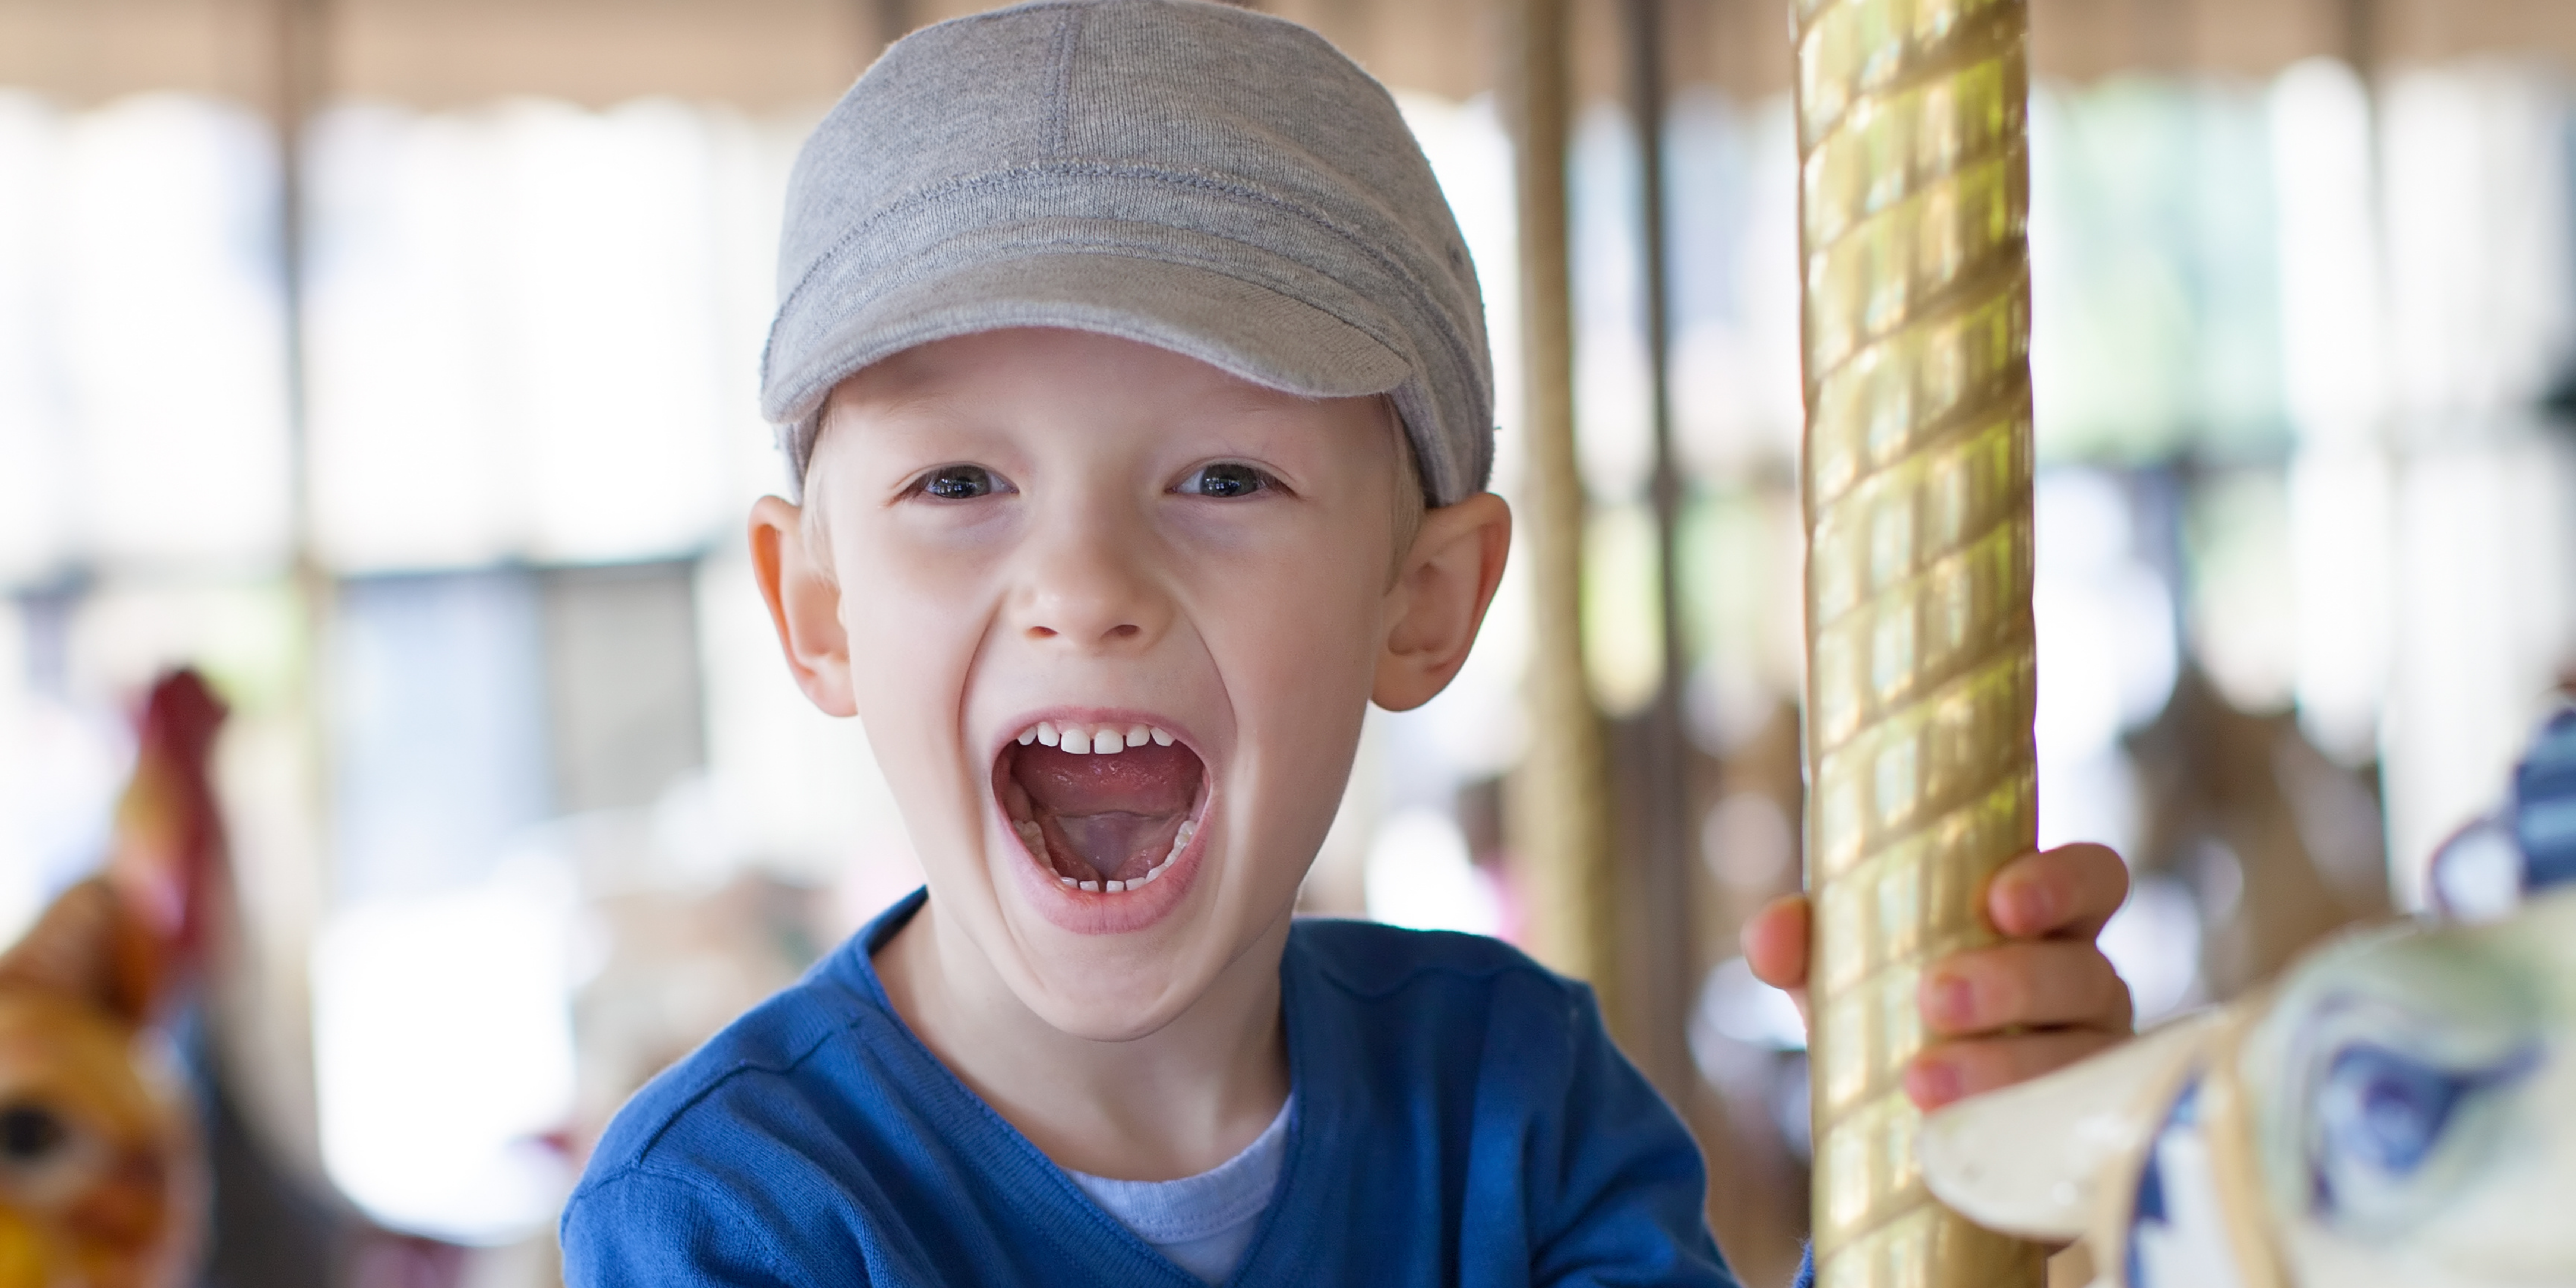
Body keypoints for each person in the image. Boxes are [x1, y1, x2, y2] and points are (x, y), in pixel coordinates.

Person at [558, 2, 2134, 1284]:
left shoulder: (1514, 1102)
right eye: (960, 482)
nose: (1086, 581)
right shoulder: (727, 1214)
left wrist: (1941, 1175)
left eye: (1225, 478)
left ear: (1425, 600)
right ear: (817, 610)